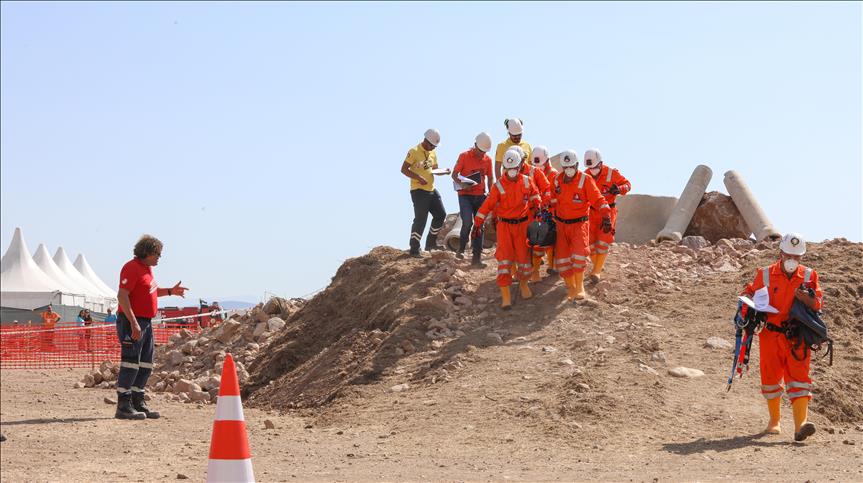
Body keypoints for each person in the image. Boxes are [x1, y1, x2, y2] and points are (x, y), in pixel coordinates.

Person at [740, 233, 822, 442]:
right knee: (770, 378)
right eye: (788, 254)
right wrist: (748, 304)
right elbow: (748, 293)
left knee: (800, 379)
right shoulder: (765, 274)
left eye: (797, 256)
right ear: (781, 253)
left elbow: (818, 305)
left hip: (797, 337)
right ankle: (774, 422)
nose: (792, 259)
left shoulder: (809, 275)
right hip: (770, 334)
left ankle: (801, 426)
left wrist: (808, 299)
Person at [115, 234, 188, 420]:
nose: (159, 257)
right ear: (147, 252)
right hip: (133, 321)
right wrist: (133, 323)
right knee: (131, 363)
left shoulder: (147, 269)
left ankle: (137, 400)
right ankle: (123, 405)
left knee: (145, 364)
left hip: (146, 322)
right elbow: (122, 296)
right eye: (157, 253)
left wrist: (171, 291)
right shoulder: (131, 268)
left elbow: (150, 292)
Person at [473, 148, 541, 310]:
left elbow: (534, 195)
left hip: (523, 225)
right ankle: (506, 298)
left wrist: (538, 207)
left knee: (525, 261)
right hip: (504, 227)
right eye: (508, 169)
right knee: (504, 261)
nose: (511, 172)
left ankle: (523, 284)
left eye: (514, 168)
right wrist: (477, 224)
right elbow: (486, 206)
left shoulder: (527, 181)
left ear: (520, 167)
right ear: (504, 168)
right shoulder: (498, 186)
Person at [549, 150, 612, 301]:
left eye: (571, 166)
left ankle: (579, 287)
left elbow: (598, 199)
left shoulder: (586, 180)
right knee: (563, 260)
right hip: (561, 225)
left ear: (577, 165)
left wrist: (606, 216)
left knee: (579, 256)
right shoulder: (557, 180)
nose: (568, 170)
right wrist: (547, 215)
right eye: (566, 167)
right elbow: (552, 200)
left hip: (579, 224)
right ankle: (571, 287)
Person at [584, 148, 632, 283]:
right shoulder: (585, 175)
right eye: (590, 167)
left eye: (594, 167)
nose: (592, 170)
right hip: (591, 212)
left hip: (609, 212)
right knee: (590, 243)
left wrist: (619, 189)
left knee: (603, 242)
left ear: (601, 163)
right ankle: (597, 265)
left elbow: (628, 185)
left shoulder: (612, 174)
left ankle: (597, 271)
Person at [400, 128, 449, 257]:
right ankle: (414, 249)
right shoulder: (414, 151)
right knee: (421, 219)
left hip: (431, 189)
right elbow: (404, 169)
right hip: (418, 191)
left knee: (440, 214)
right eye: (432, 145)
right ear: (426, 141)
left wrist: (443, 171)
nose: (434, 148)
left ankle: (431, 244)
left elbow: (434, 169)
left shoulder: (432, 153)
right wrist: (418, 178)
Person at [451, 132, 494, 267]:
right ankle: (461, 249)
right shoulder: (464, 156)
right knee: (467, 222)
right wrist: (463, 184)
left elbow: (490, 177)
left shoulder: (488, 160)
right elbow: (454, 174)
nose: (482, 154)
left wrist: (491, 193)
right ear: (475, 145)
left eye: (484, 152)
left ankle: (476, 258)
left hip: (480, 195)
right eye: (480, 151)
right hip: (465, 196)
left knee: (479, 225)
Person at [529, 145, 559, 277]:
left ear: (547, 160)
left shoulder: (554, 174)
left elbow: (557, 195)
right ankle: (535, 272)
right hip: (537, 211)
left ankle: (552, 266)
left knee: (552, 241)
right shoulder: (532, 172)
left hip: (550, 212)